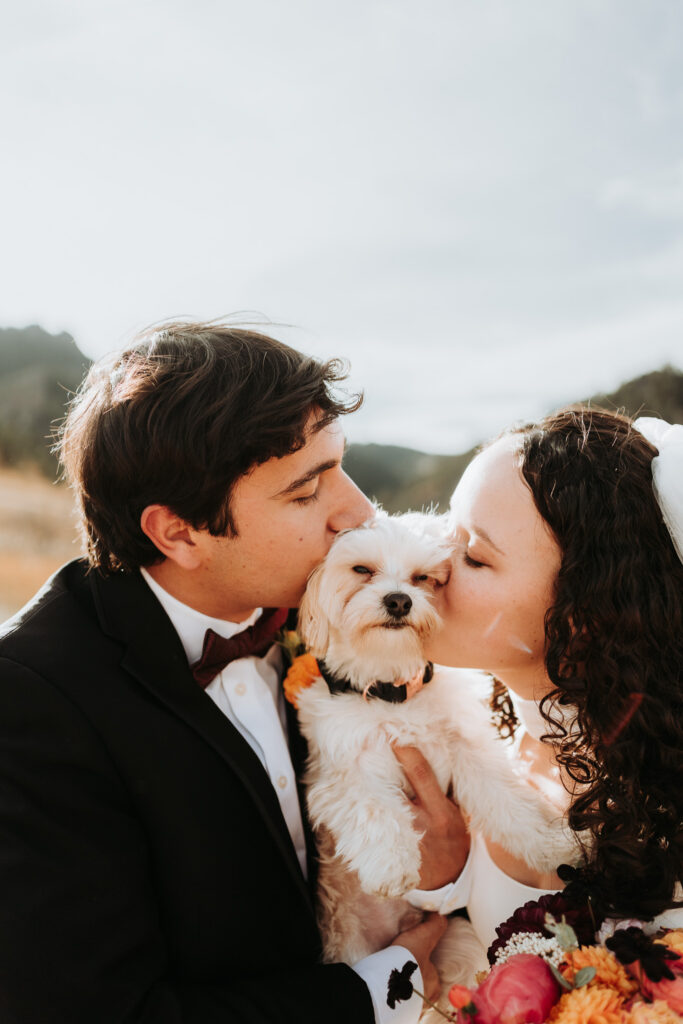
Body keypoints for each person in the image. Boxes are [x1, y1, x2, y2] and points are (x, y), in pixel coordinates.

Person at [0, 321, 468, 1024]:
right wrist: (379, 990)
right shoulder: (31, 697)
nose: (357, 511)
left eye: (340, 466)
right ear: (180, 532)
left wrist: (436, 881)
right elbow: (93, 1009)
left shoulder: (336, 615)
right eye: (306, 492)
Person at [426, 406, 683, 950]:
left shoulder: (665, 796)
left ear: (582, 617)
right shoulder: (450, 736)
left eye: (473, 555)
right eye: (447, 526)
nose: (430, 561)